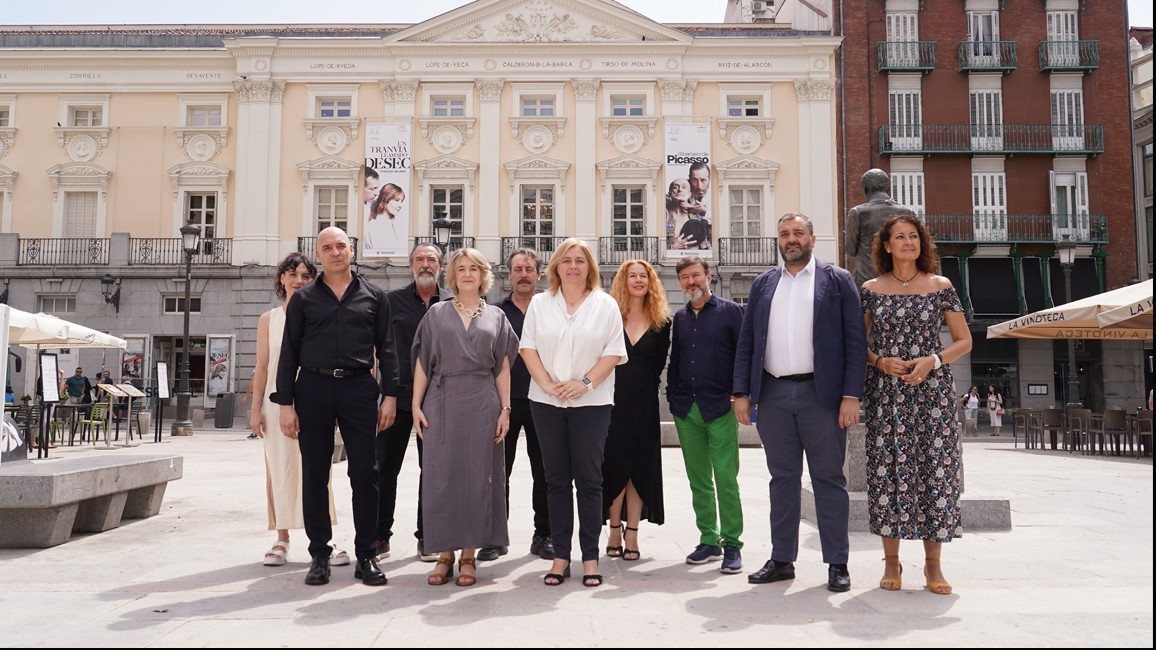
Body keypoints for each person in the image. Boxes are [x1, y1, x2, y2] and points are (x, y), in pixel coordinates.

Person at [734, 213, 867, 593]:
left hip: (821, 396)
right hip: (773, 395)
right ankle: (782, 559)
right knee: (782, 481)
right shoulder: (763, 284)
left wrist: (851, 395)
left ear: (812, 238)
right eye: (784, 234)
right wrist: (741, 392)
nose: (791, 239)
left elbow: (855, 343)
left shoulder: (837, 281)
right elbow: (747, 343)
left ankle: (837, 562)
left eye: (798, 233)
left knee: (829, 479)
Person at [272, 226, 398, 587]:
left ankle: (367, 555)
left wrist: (389, 395)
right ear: (319, 254)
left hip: (359, 386)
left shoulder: (375, 295)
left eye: (341, 245)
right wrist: (285, 404)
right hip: (312, 386)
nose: (335, 252)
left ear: (352, 249)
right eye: (327, 247)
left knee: (365, 472)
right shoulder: (304, 298)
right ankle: (319, 555)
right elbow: (288, 354)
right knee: (314, 472)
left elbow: (387, 349)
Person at [860, 212, 972, 596]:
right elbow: (859, 344)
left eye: (914, 236)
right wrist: (879, 361)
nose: (908, 242)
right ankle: (891, 562)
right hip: (886, 395)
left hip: (933, 393)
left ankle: (932, 566)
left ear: (921, 244)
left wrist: (933, 360)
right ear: (886, 245)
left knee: (934, 475)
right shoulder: (871, 288)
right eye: (900, 236)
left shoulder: (941, 285)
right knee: (888, 473)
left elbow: (963, 340)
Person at [519, 237, 627, 587]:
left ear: (590, 268)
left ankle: (591, 558)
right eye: (567, 260)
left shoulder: (605, 304)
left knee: (591, 481)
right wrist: (548, 384)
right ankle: (561, 557)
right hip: (546, 403)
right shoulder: (539, 303)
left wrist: (583, 383)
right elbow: (528, 348)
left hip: (591, 404)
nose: (573, 266)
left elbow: (612, 353)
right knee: (556, 481)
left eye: (580, 260)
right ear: (556, 267)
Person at [412, 248, 518, 587]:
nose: (468, 274)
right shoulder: (436, 314)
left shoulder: (497, 317)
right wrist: (415, 405)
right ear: (453, 276)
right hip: (441, 400)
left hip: (483, 402)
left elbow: (503, 367)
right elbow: (422, 362)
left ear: (483, 274)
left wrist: (505, 408)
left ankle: (469, 554)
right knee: (440, 479)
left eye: (474, 268)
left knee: (478, 479)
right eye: (461, 268)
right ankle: (444, 554)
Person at [249, 253, 349, 569]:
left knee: (319, 470)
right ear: (281, 279)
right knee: (278, 468)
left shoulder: (321, 316)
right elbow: (262, 366)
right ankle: (281, 538)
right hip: (275, 402)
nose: (299, 280)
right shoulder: (269, 320)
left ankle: (325, 539)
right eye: (293, 274)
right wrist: (255, 410)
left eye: (306, 276)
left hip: (315, 398)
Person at [667, 256, 746, 575]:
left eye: (696, 275)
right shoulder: (681, 318)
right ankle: (708, 540)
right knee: (698, 480)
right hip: (687, 409)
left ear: (708, 277)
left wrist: (741, 395)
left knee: (726, 478)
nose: (691, 282)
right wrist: (672, 397)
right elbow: (676, 360)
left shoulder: (731, 312)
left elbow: (743, 355)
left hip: (720, 408)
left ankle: (732, 545)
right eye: (685, 277)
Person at [375, 243, 450, 563]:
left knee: (432, 471)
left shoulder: (451, 302)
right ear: (410, 266)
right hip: (396, 397)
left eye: (431, 260)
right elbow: (381, 351)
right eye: (419, 259)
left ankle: (428, 536)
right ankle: (379, 536)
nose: (425, 265)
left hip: (438, 401)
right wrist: (386, 397)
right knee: (383, 469)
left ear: (441, 267)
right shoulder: (390, 302)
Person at [487, 248, 553, 562]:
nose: (524, 274)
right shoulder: (494, 311)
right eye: (518, 269)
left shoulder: (551, 308)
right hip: (504, 403)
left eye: (529, 269)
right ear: (509, 274)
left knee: (545, 472)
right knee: (499, 471)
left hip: (544, 400)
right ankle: (495, 536)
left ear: (538, 274)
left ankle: (544, 535)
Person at [602, 259, 671, 562]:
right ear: (624, 281)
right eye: (633, 276)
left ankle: (632, 533)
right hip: (612, 400)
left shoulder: (662, 321)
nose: (639, 281)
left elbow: (658, 365)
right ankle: (614, 529)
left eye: (644, 276)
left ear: (651, 282)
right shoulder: (610, 316)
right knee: (615, 465)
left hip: (644, 402)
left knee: (639, 469)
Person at [845, 168, 911, 288]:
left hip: (867, 282)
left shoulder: (858, 213)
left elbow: (851, 250)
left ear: (864, 188)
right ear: (887, 187)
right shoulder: (906, 212)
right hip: (899, 280)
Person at [364, 183, 405, 254]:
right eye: (397, 200)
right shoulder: (373, 227)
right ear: (385, 200)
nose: (400, 205)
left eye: (401, 201)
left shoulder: (394, 225)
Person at [666, 178, 697, 250]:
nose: (680, 190)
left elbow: (705, 244)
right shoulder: (664, 215)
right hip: (671, 259)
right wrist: (672, 247)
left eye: (684, 187)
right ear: (670, 193)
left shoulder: (696, 217)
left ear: (689, 194)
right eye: (675, 187)